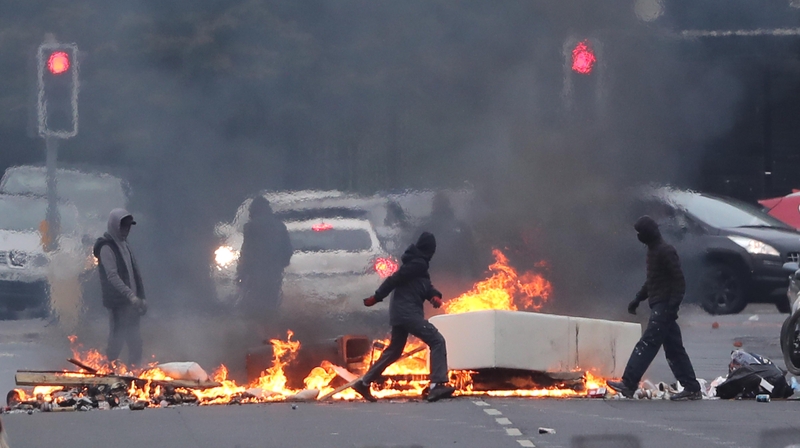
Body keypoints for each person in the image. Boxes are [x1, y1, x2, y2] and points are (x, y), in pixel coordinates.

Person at [352, 232, 456, 403]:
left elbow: (425, 285)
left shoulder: (418, 265)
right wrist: (377, 297)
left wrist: (434, 296)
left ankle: (364, 383)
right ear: (430, 250)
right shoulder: (418, 264)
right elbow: (394, 279)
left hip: (400, 313)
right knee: (437, 341)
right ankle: (436, 385)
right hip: (408, 314)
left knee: (394, 351)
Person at [607, 216, 702, 401]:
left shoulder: (665, 251)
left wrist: (672, 307)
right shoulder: (653, 251)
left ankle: (628, 383)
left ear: (649, 233)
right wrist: (638, 299)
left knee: (647, 344)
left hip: (664, 306)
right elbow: (652, 282)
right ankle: (691, 387)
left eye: (640, 233)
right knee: (674, 350)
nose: (638, 237)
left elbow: (679, 282)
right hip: (660, 305)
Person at [93, 209, 146, 367]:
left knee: (135, 342)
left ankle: (134, 373)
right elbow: (112, 277)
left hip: (131, 303)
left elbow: (133, 273)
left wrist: (140, 297)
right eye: (123, 227)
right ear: (115, 226)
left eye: (128, 227)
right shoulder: (106, 247)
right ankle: (107, 371)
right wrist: (130, 296)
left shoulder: (124, 245)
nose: (126, 231)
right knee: (117, 339)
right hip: (118, 303)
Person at [236, 196, 293, 317]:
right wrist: (282, 263)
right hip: (273, 270)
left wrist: (241, 272)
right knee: (272, 299)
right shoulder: (279, 226)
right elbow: (287, 249)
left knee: (253, 301)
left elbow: (247, 250)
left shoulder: (250, 227)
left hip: (255, 271)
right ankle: (271, 324)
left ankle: (256, 327)